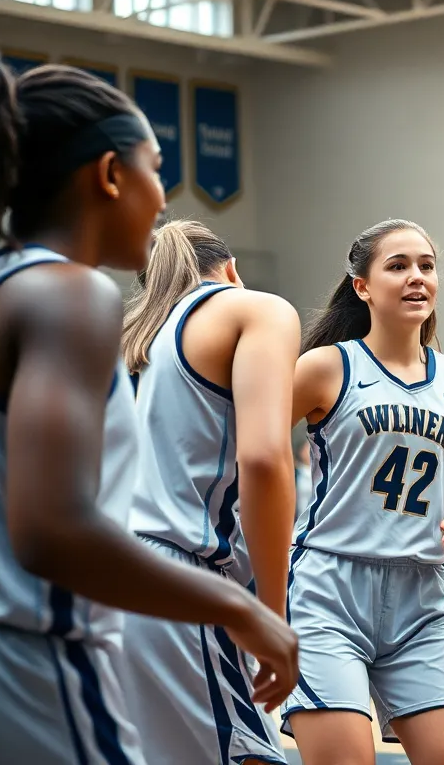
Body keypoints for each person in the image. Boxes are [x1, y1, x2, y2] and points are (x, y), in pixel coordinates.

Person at [0, 44, 297, 763]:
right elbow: (51, 530)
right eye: (155, 167)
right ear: (110, 175)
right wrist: (242, 607)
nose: (160, 199)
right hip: (26, 666)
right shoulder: (70, 292)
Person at [284, 219, 444, 765]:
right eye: (398, 265)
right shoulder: (325, 368)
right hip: (329, 589)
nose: (417, 278)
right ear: (362, 286)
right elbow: (245, 449)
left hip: (422, 595)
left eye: (426, 266)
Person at [118, 219, 301, 765]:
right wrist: (272, 613)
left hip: (104, 581)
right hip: (181, 583)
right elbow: (265, 459)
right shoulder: (255, 310)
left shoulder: (132, 344)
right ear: (231, 269)